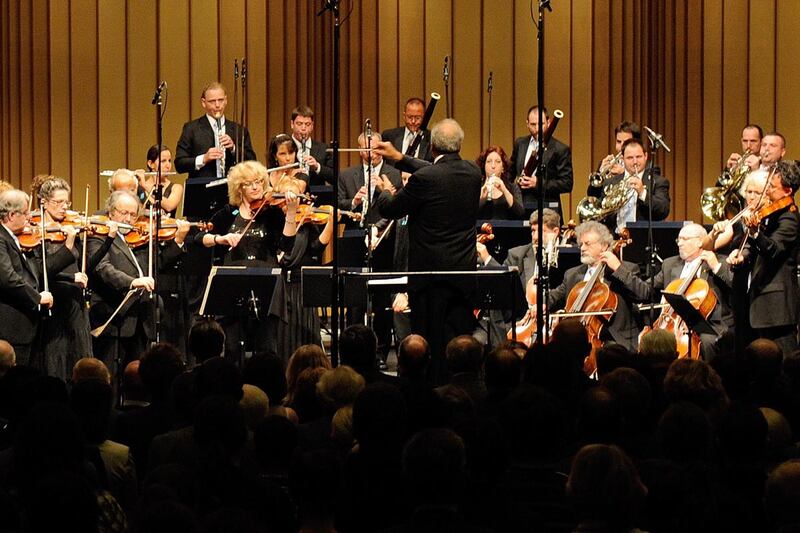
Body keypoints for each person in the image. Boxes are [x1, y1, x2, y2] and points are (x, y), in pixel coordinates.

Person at [375, 118, 482, 384]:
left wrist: (385, 191)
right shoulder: (472, 172)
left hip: (429, 279)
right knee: (458, 342)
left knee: (430, 345)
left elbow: (391, 208)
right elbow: (438, 170)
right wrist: (400, 158)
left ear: (432, 146)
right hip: (462, 276)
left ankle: (431, 391)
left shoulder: (425, 179)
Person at [194, 161, 300, 358]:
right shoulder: (227, 214)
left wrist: (291, 213)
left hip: (267, 282)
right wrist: (220, 239)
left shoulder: (272, 213)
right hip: (232, 284)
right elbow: (200, 238)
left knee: (267, 348)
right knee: (233, 348)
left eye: (259, 182)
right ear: (239, 188)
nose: (255, 187)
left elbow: (286, 245)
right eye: (249, 183)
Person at [88, 190, 190, 372]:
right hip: (113, 318)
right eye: (123, 213)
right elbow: (103, 269)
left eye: (133, 214)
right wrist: (132, 282)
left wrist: (178, 241)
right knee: (111, 374)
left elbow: (159, 264)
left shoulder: (140, 238)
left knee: (140, 375)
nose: (128, 219)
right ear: (111, 212)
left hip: (141, 319)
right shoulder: (99, 236)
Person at [606, 223, 734, 361]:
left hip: (710, 324)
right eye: (679, 239)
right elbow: (645, 291)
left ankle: (709, 373)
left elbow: (734, 286)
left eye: (685, 239)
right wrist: (619, 268)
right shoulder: (670, 264)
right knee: (651, 341)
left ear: (700, 241)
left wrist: (715, 267)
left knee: (707, 341)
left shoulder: (718, 261)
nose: (680, 243)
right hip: (674, 323)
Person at [34, 177, 116, 377]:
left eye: (67, 202)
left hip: (75, 305)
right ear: (44, 202)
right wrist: (71, 273)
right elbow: (43, 271)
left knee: (79, 360)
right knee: (55, 362)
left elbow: (85, 268)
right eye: (58, 202)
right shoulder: (37, 233)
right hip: (55, 304)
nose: (64, 207)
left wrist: (108, 240)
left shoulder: (70, 228)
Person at [728, 159, 800, 356]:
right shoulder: (770, 214)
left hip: (777, 308)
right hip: (759, 304)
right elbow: (754, 248)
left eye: (772, 187)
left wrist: (756, 232)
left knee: (785, 360)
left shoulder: (789, 218)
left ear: (787, 191)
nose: (767, 191)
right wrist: (742, 256)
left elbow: (773, 249)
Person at [0, 189, 76, 366]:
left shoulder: (17, 238)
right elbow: (8, 278)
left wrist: (66, 249)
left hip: (27, 324)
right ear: (11, 215)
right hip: (11, 326)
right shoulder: (1, 239)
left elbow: (38, 271)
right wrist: (38, 297)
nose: (30, 217)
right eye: (25, 212)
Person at [547, 221, 642, 353]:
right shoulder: (573, 274)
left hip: (615, 340)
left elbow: (643, 294)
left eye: (587, 244)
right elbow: (554, 297)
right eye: (581, 244)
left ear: (604, 246)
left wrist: (618, 268)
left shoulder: (626, 269)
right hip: (580, 338)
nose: (582, 248)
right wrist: (540, 303)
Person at [477, 208, 561, 344]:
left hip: (554, 321)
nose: (535, 237)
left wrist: (545, 304)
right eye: (533, 231)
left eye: (541, 231)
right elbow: (502, 284)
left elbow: (564, 290)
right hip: (522, 321)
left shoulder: (567, 256)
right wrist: (487, 258)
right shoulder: (517, 255)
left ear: (555, 232)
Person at [272, 179, 334, 361]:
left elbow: (316, 248)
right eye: (288, 196)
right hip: (281, 287)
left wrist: (330, 223)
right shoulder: (274, 221)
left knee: (305, 338)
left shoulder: (306, 220)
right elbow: (284, 256)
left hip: (301, 286)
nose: (293, 201)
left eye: (297, 196)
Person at [587, 137, 671, 235]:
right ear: (622, 159)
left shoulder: (658, 182)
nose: (635, 162)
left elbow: (663, 210)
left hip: (642, 238)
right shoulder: (610, 183)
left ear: (646, 156)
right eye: (630, 158)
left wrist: (642, 193)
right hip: (614, 238)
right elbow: (600, 210)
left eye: (638, 157)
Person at [174, 82, 257, 179]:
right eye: (212, 101)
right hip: (202, 186)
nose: (217, 105)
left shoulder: (239, 130)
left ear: (226, 100)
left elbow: (252, 162)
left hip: (232, 185)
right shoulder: (191, 129)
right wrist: (204, 158)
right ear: (203, 103)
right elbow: (179, 164)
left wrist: (234, 148)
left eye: (221, 100)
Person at [509, 105, 574, 219]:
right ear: (527, 123)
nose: (537, 128)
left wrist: (538, 183)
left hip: (547, 211)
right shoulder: (520, 143)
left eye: (541, 124)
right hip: (521, 208)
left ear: (548, 122)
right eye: (533, 124)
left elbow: (567, 183)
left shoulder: (560, 149)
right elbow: (510, 173)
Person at [475, 145, 524, 220]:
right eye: (489, 161)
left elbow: (520, 213)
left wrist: (505, 191)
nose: (493, 166)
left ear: (503, 167)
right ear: (484, 166)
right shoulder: (476, 187)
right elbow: (468, 215)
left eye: (497, 162)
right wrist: (481, 199)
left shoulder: (512, 188)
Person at [289, 105, 333, 186]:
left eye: (307, 124)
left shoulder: (323, 148)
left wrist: (317, 167)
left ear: (312, 126)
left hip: (316, 193)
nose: (303, 128)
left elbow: (334, 177)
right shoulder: (284, 147)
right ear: (292, 124)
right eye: (299, 124)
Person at [381, 97, 433, 164]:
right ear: (404, 116)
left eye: (417, 118)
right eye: (410, 117)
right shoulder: (389, 136)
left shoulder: (431, 138)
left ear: (424, 117)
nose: (413, 121)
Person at [141, 144, 183, 217]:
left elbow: (169, 206)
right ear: (151, 164)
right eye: (163, 161)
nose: (168, 165)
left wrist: (146, 187)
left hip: (167, 224)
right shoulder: (140, 187)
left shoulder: (176, 187)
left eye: (169, 161)